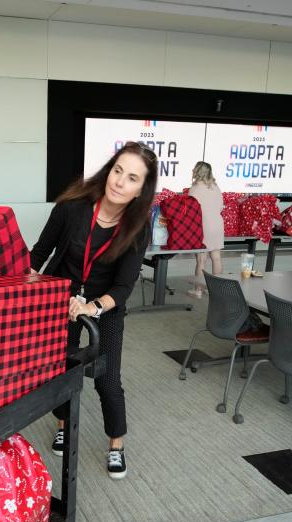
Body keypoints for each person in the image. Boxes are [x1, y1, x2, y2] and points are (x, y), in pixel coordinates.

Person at [29, 142, 158, 480]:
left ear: (141, 189)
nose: (119, 182)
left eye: (131, 178)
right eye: (117, 170)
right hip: (62, 300)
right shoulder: (72, 208)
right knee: (61, 372)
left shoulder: (137, 227)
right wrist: (23, 284)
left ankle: (116, 444)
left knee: (107, 380)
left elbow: (124, 287)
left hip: (106, 306)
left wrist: (92, 306)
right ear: (108, 170)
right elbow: (39, 254)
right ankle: (62, 424)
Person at [186, 161, 224, 298]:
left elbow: (190, 211)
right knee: (216, 258)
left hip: (203, 226)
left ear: (198, 171)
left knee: (201, 260)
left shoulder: (195, 189)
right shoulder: (215, 187)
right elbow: (221, 207)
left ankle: (198, 291)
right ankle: (217, 291)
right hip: (217, 224)